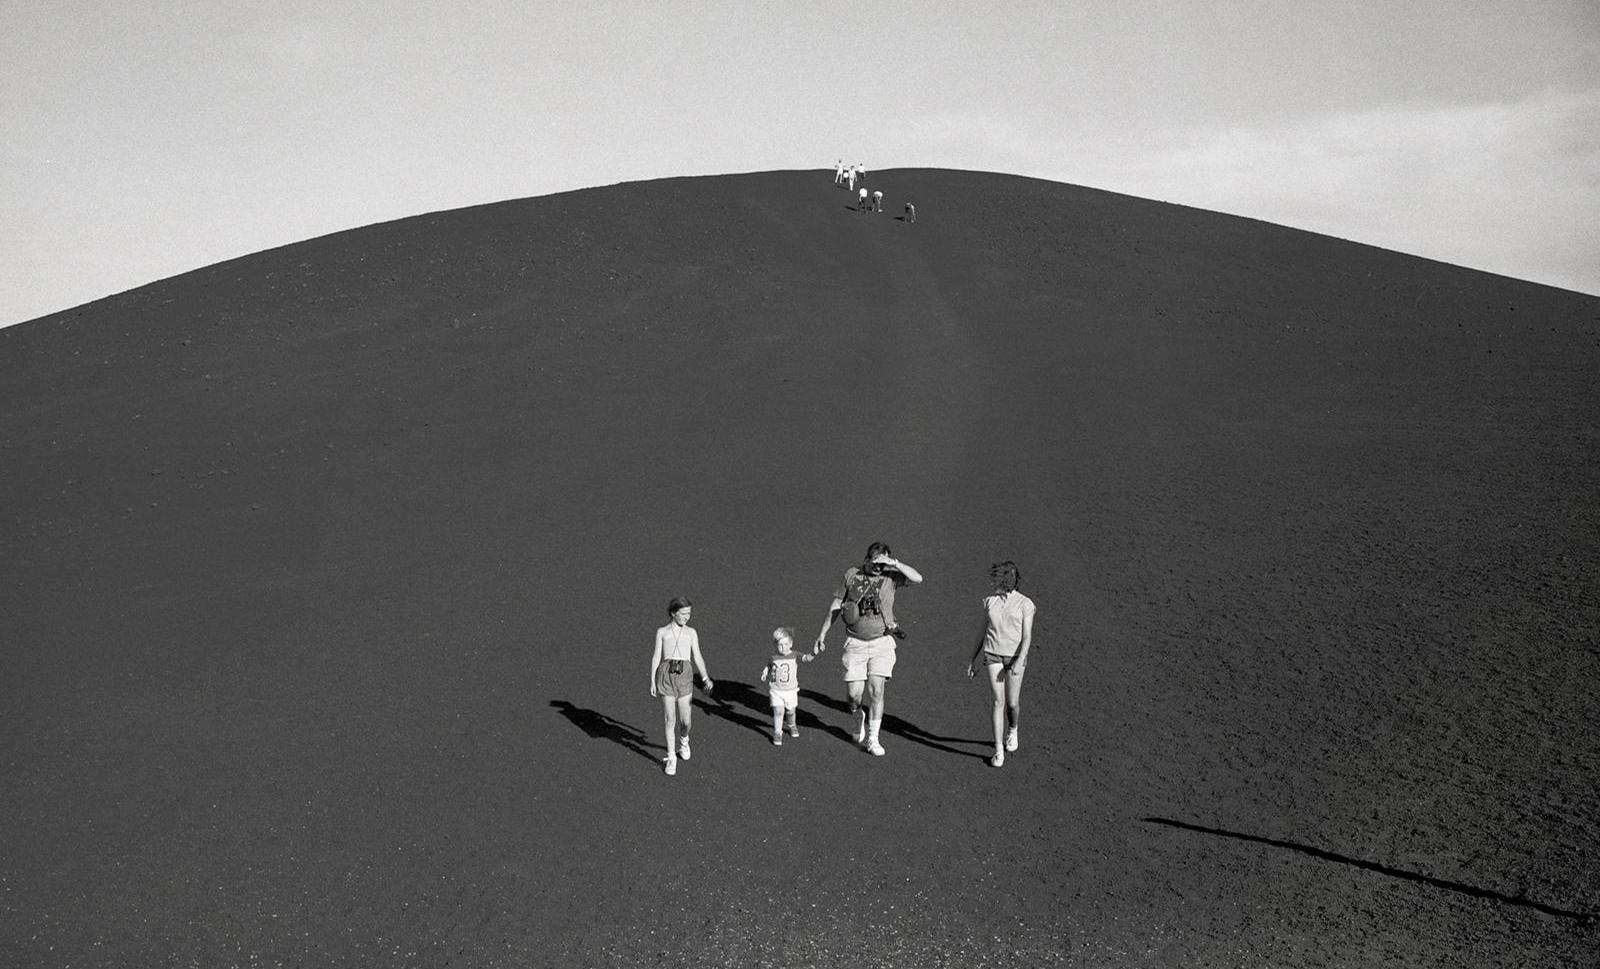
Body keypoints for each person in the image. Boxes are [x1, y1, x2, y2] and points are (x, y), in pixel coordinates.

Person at [813, 542, 923, 755]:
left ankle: (873, 739)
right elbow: (836, 604)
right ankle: (857, 716)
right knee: (854, 695)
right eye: (875, 563)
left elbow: (918, 578)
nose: (879, 568)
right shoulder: (852, 575)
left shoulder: (891, 575)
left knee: (877, 690)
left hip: (882, 643)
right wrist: (822, 633)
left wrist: (894, 563)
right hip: (855, 644)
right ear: (866, 559)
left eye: (883, 564)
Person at [966, 562, 1035, 767]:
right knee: (998, 701)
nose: (992, 582)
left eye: (996, 579)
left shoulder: (1025, 604)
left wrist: (1021, 659)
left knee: (1012, 703)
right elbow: (981, 632)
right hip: (993, 654)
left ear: (1006, 581)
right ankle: (998, 750)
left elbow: (1027, 636)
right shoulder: (990, 602)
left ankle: (1012, 729)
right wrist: (972, 658)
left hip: (1014, 658)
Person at [649, 596, 713, 775]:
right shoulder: (662, 632)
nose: (687, 617)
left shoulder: (691, 633)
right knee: (670, 719)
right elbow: (656, 656)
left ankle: (684, 740)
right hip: (666, 675)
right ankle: (671, 757)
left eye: (689, 613)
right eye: (683, 613)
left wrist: (705, 677)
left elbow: (697, 656)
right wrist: (652, 680)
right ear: (673, 613)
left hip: (684, 674)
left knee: (685, 721)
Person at [759, 627, 812, 745]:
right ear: (775, 645)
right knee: (778, 711)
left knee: (791, 712)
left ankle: (791, 725)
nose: (783, 647)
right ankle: (778, 732)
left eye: (786, 644)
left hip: (791, 691)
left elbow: (806, 658)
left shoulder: (794, 655)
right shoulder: (773, 658)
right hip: (776, 690)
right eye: (780, 645)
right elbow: (768, 665)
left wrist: (814, 652)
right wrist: (764, 672)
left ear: (791, 643)